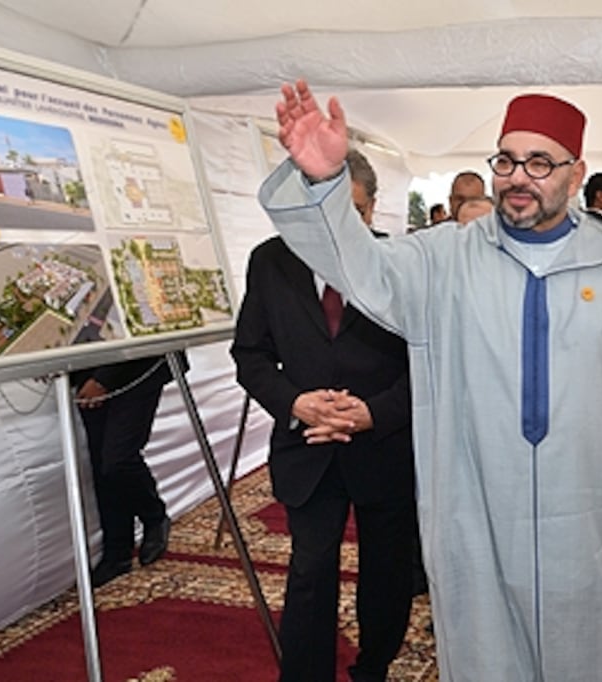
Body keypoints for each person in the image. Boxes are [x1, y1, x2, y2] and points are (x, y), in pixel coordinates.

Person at [259, 80, 602, 681]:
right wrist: (324, 182)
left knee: (578, 653)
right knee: (483, 658)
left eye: (539, 162)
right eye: (505, 160)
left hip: (580, 510)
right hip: (474, 509)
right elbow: (357, 266)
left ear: (576, 172)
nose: (517, 177)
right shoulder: (444, 258)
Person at [232, 148, 416, 681]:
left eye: (352, 213)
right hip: (307, 447)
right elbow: (251, 355)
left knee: (387, 571)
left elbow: (429, 363)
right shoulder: (271, 261)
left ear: (372, 209)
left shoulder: (400, 264)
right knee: (310, 570)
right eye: (324, 215)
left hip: (384, 446)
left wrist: (372, 415)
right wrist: (296, 402)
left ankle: (373, 668)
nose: (337, 229)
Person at [74, 355, 181, 588]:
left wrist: (103, 380)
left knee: (118, 459)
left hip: (138, 365)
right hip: (85, 369)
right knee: (101, 466)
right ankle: (117, 553)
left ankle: (154, 516)